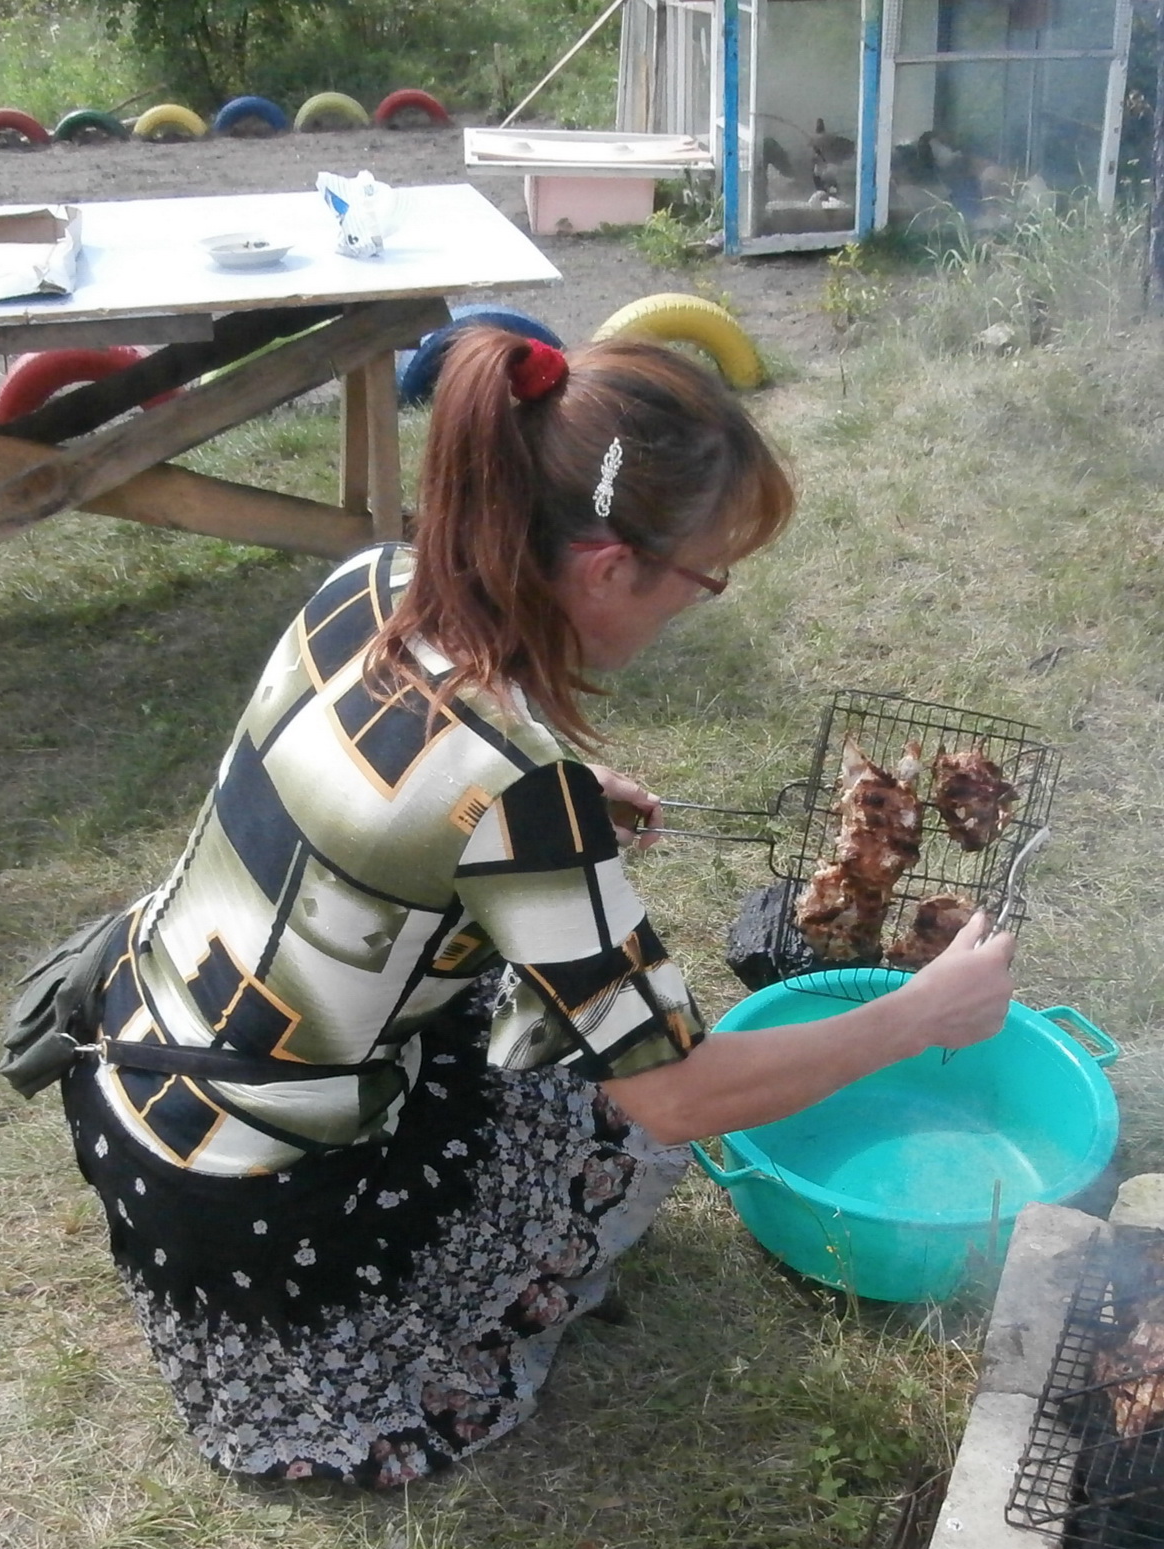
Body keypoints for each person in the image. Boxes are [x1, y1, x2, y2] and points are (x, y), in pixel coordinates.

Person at [59, 329, 1015, 1490]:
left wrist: (559, 791)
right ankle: (362, 1352)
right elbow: (677, 1094)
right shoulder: (517, 796)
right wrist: (920, 1014)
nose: (697, 603)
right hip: (253, 1211)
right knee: (616, 1120)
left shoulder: (373, 582)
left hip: (141, 1090)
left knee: (543, 1022)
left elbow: (386, 782)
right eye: (704, 577)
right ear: (608, 568)